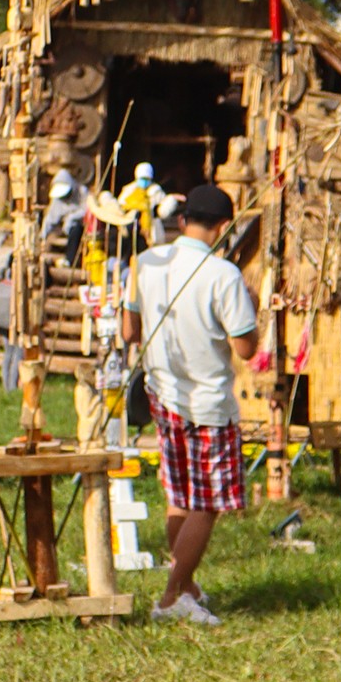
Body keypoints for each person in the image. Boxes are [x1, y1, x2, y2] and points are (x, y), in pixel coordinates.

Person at [122, 183, 258, 627]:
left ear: (182, 220)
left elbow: (129, 331)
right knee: (207, 503)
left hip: (164, 393)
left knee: (179, 496)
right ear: (224, 228)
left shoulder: (145, 263)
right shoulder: (224, 275)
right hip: (208, 402)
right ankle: (171, 595)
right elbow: (245, 348)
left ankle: (187, 584)